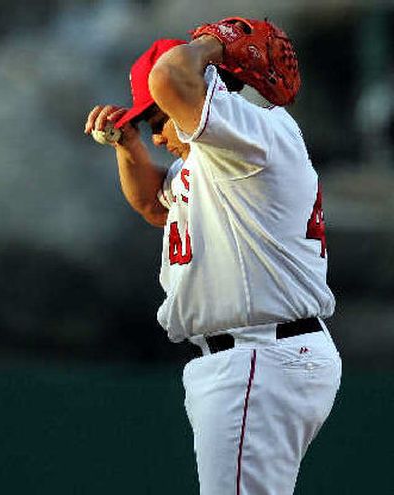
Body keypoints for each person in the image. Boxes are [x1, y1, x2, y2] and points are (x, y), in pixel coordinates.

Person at [84, 19, 342, 495]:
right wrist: (128, 146)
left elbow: (169, 78)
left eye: (158, 119)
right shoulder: (218, 157)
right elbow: (149, 205)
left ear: (207, 87)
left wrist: (214, 44)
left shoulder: (254, 134)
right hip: (256, 359)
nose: (158, 134)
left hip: (259, 355)